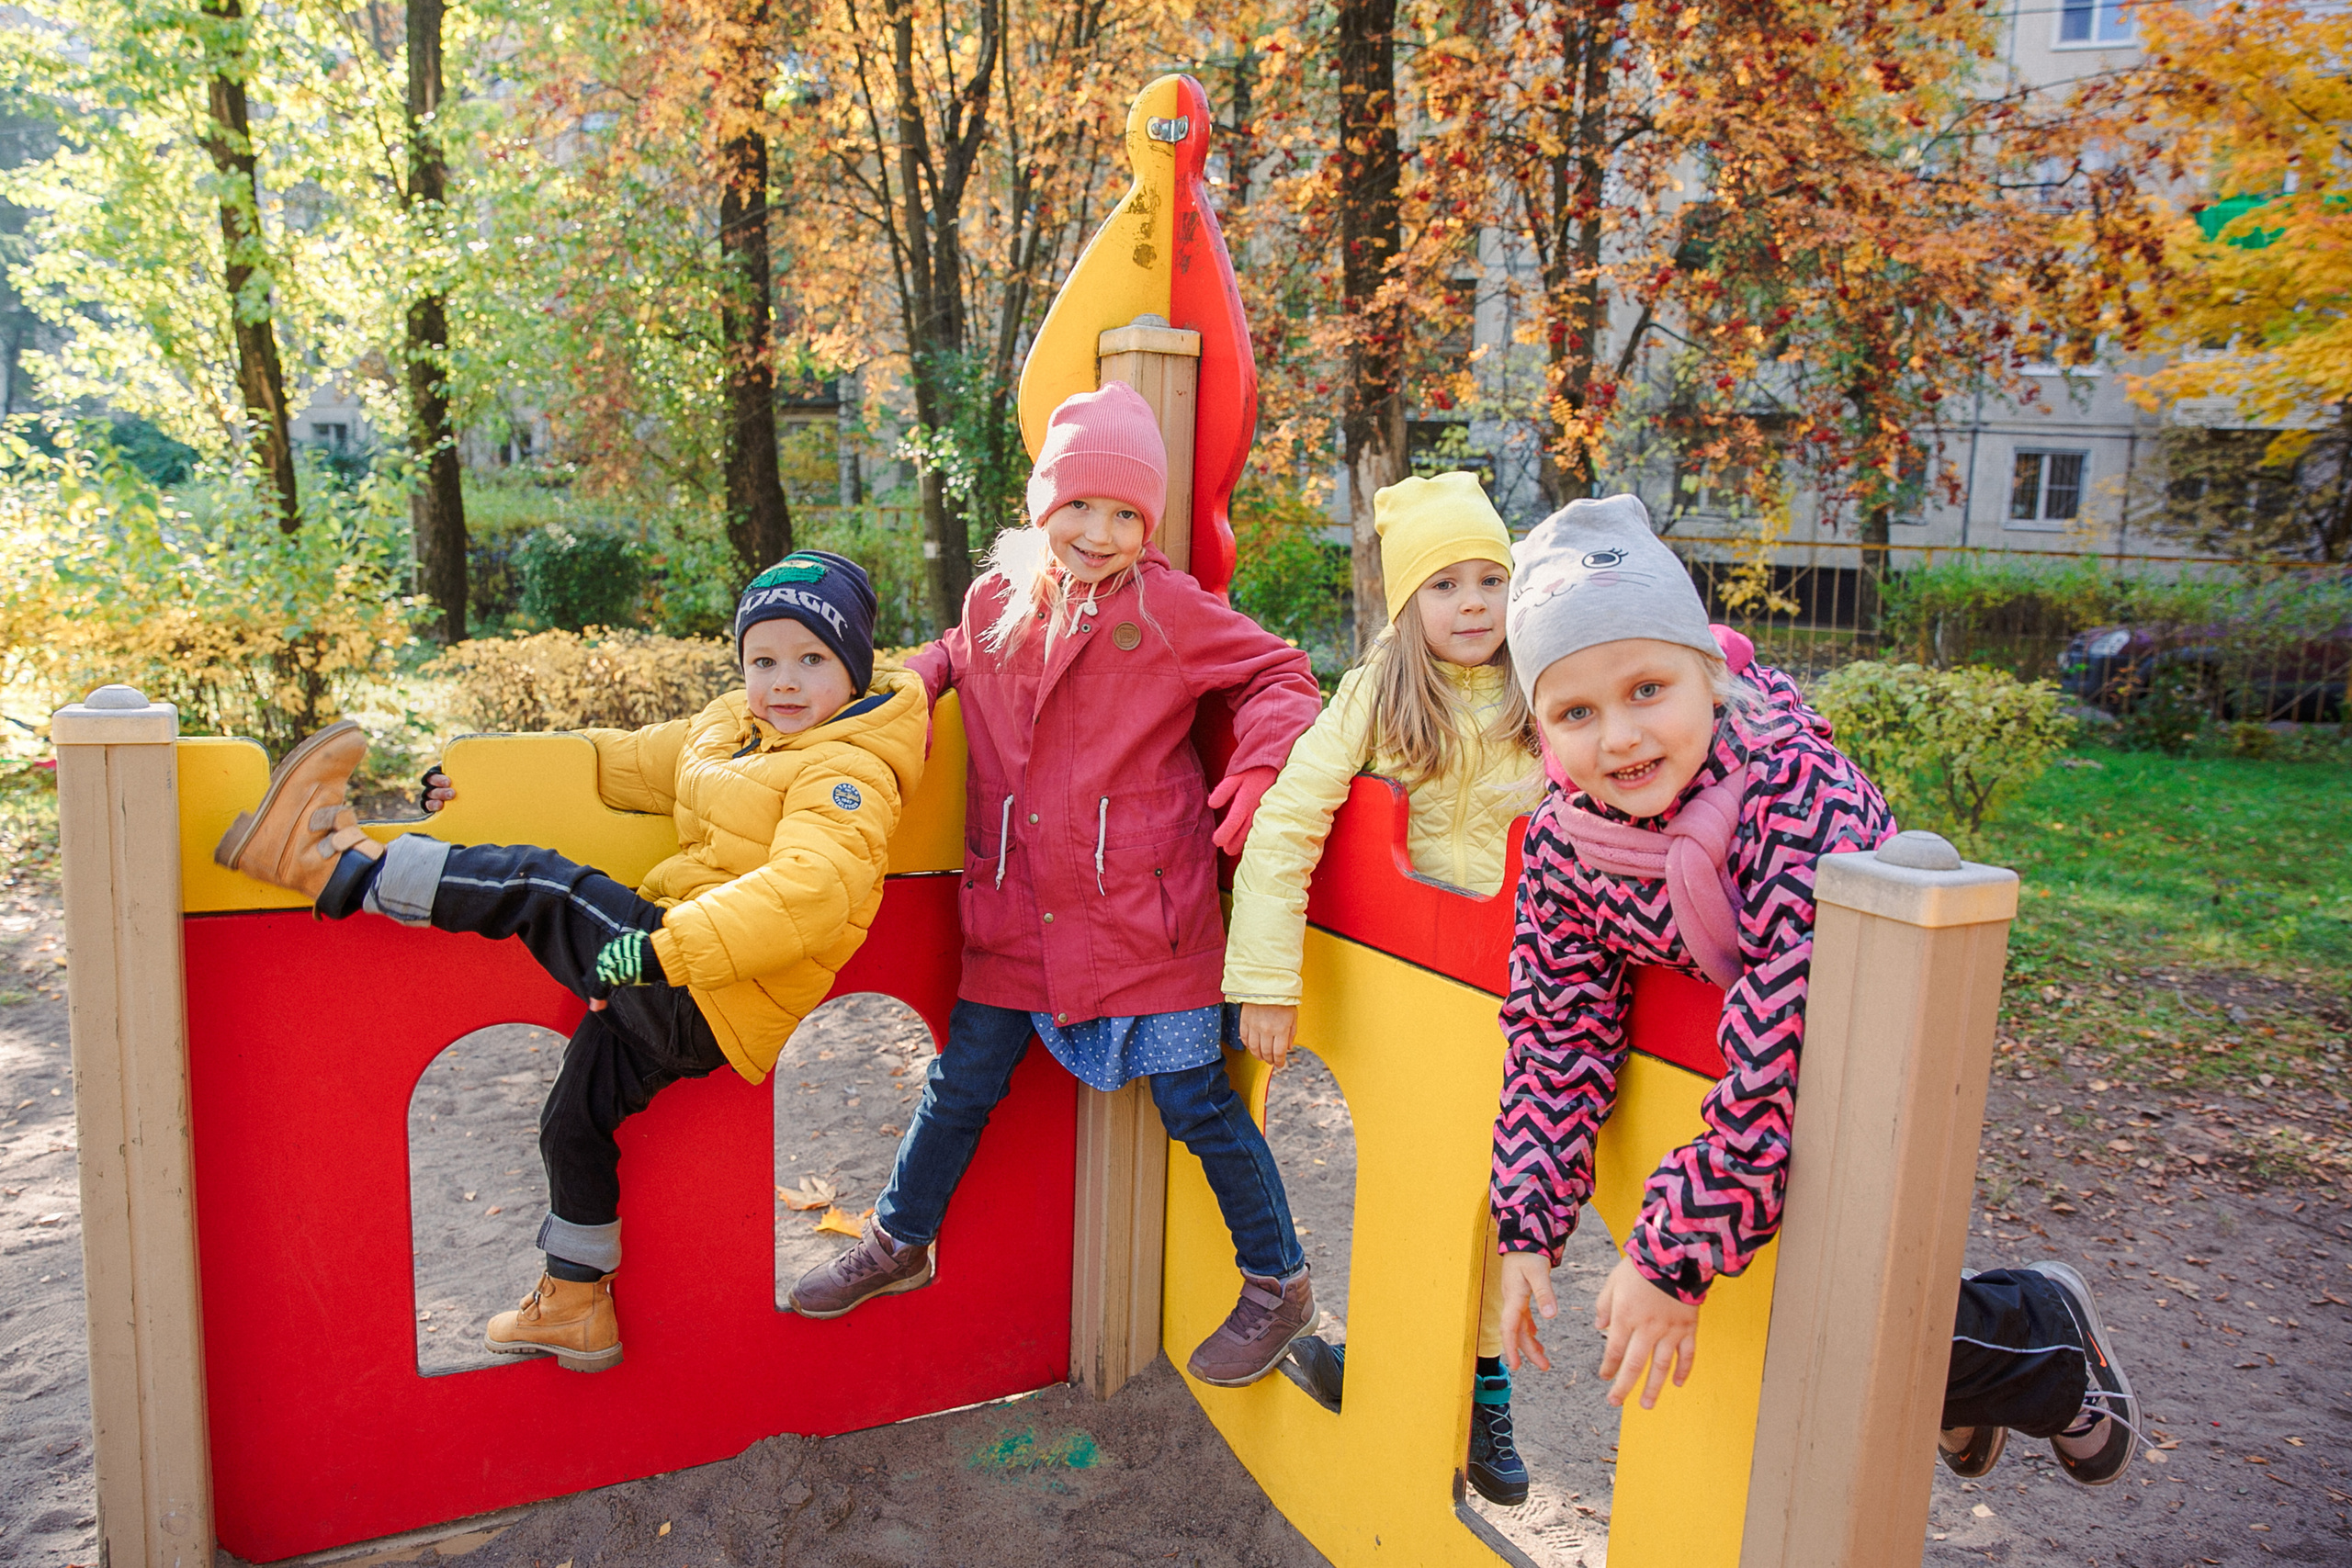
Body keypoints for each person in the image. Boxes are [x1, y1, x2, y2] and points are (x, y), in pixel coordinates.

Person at [1489, 496, 2141, 1487]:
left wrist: (1669, 1251)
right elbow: (1555, 1025)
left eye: (1647, 688)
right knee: (1797, 1310)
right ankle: (1966, 1379)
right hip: (1750, 1096)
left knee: (1834, 1297)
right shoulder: (1567, 838)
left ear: (1709, 675)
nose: (1618, 737)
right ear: (1539, 730)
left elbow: (1788, 1049)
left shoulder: (1797, 797)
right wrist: (1529, 1216)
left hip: (1856, 1048)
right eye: (1575, 712)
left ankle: (2041, 1345)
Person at [212, 551, 926, 1374]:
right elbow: (610, 764)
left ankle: (338, 869)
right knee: (572, 1118)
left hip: (706, 979)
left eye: (812, 659)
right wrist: (480, 790)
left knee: (545, 888)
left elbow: (811, 893)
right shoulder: (726, 727)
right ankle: (575, 1300)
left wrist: (663, 949)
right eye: (762, 659)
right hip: (681, 975)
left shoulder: (849, 770)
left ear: (854, 668)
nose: (784, 682)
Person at [786, 383, 1329, 1390]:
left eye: (1126, 514)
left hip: (1144, 913)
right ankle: (901, 1238)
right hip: (1018, 902)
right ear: (1043, 507)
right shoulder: (993, 601)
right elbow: (953, 659)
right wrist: (899, 689)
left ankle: (1278, 1279)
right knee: (962, 1081)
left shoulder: (1165, 607)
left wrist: (1256, 765)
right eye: (1080, 506)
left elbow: (1282, 674)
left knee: (1196, 1101)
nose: (1100, 531)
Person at [1220, 470, 1540, 1505]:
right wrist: (1268, 978)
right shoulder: (1375, 692)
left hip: (1522, 993)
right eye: (1445, 583)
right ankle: (1391, 1368)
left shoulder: (1544, 689)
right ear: (1407, 604)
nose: (1474, 603)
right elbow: (1288, 822)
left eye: (1491, 577)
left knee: (1498, 1207)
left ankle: (1482, 1385)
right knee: (1409, 1186)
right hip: (1411, 992)